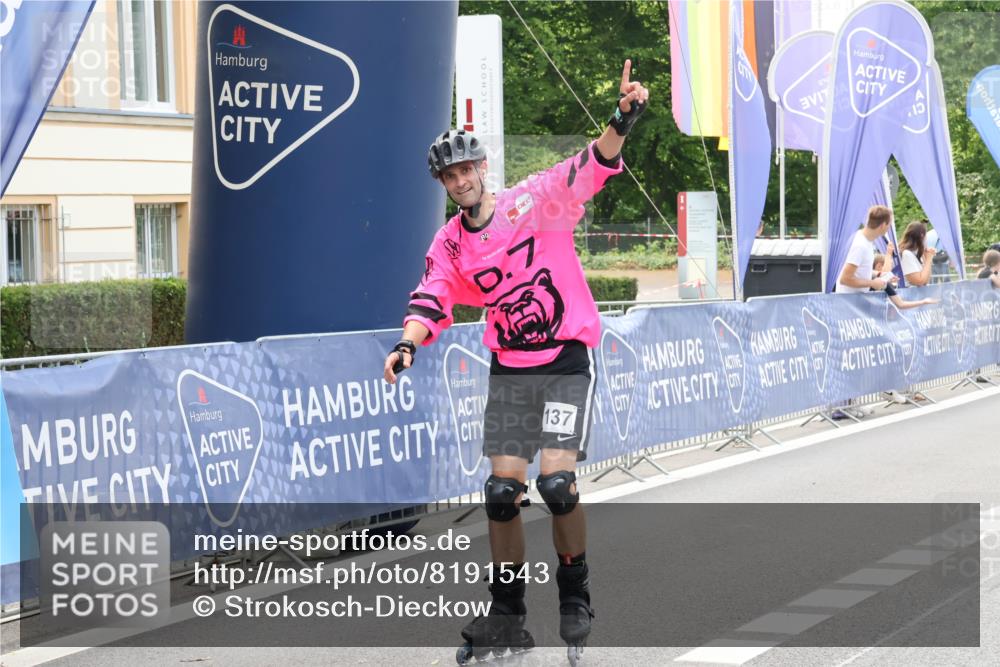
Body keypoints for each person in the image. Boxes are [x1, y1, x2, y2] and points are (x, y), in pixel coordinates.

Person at [383, 61, 648, 663]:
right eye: (449, 176)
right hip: (511, 369)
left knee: (556, 485)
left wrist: (622, 119)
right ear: (445, 184)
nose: (461, 180)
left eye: (467, 169)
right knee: (502, 492)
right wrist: (406, 344)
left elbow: (590, 166)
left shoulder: (534, 201)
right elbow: (432, 296)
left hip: (564, 363)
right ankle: (507, 612)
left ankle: (575, 592)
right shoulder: (448, 241)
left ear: (483, 169)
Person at [836, 205, 893, 294]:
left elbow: (860, 271)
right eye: (889, 224)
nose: (889, 228)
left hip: (854, 301)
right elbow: (845, 279)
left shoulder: (865, 240)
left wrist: (879, 274)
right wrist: (872, 283)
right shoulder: (860, 245)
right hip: (849, 302)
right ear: (882, 225)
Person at [898, 221, 938, 287]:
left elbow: (926, 280)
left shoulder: (917, 254)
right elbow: (919, 281)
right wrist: (929, 259)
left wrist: (926, 258)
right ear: (922, 236)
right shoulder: (906, 254)